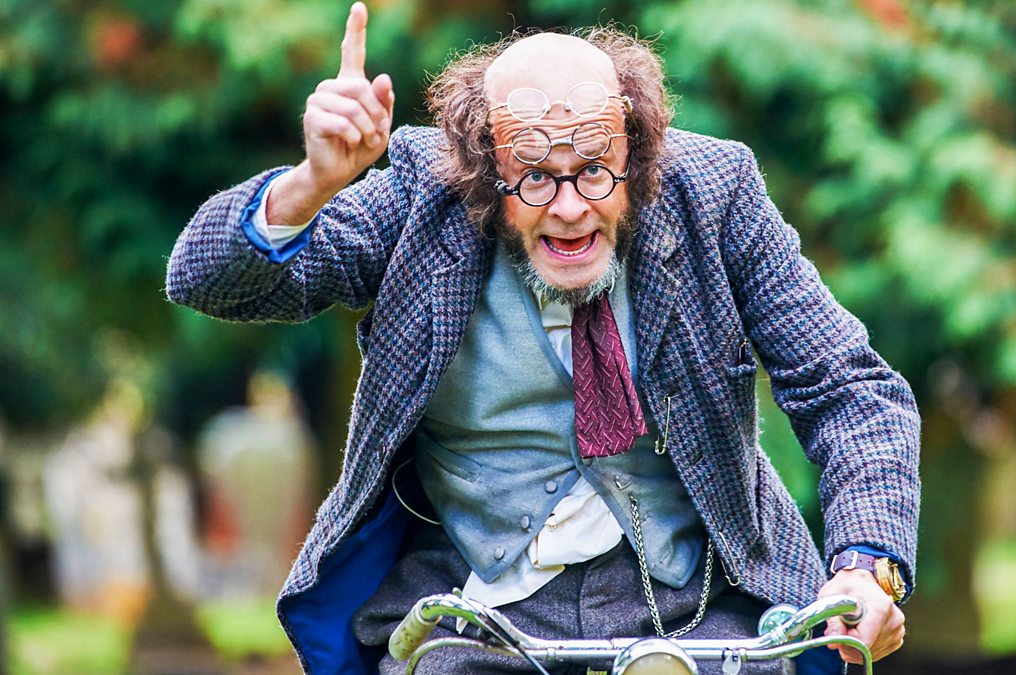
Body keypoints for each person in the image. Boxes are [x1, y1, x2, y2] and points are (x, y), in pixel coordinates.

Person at [166, 3, 920, 673]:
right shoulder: (423, 198)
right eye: (534, 176)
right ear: (483, 168)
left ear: (637, 155)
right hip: (471, 610)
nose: (568, 207)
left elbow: (849, 387)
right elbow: (204, 277)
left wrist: (867, 567)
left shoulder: (715, 197)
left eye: (594, 171)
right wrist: (312, 183)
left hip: (696, 604)